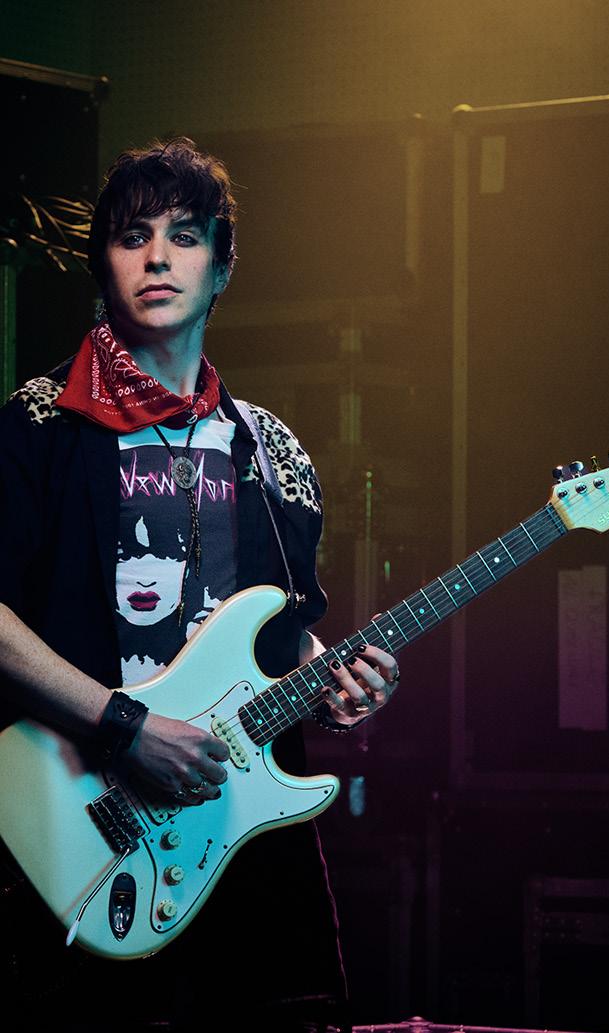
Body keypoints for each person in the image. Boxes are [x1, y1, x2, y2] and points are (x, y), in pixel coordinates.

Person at [0, 138, 400, 1033]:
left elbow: (284, 638)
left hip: (244, 847)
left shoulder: (273, 450)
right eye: (132, 236)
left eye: (184, 236)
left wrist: (338, 681)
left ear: (222, 268)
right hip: (79, 829)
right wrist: (124, 723)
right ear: (102, 265)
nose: (157, 258)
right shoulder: (38, 427)